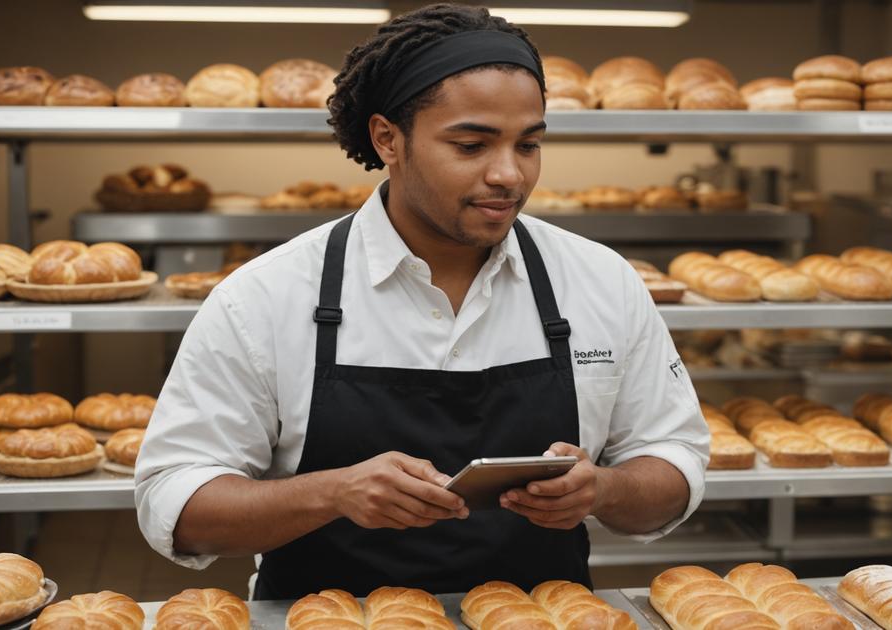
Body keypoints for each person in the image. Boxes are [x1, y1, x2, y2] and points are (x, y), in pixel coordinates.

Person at [135, 2, 709, 600]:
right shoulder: (266, 296)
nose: (509, 175)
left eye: (529, 145)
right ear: (389, 139)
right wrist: (330, 493)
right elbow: (175, 504)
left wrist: (604, 491)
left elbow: (673, 459)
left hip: (541, 617)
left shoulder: (600, 280)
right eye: (471, 146)